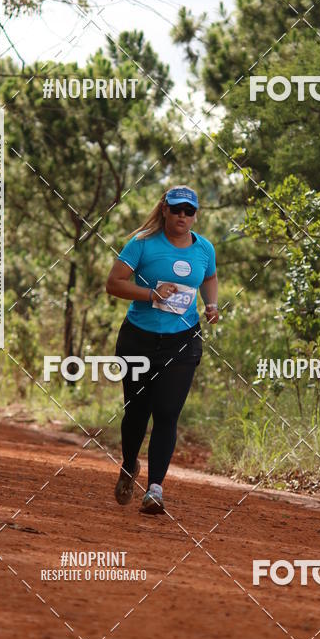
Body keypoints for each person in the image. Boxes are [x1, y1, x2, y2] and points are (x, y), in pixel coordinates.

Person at [105, 185, 219, 515]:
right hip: (139, 340)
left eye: (189, 211)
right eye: (177, 209)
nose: (182, 215)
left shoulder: (204, 248)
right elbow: (114, 283)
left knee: (167, 413)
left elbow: (210, 277)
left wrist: (211, 304)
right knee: (136, 413)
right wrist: (151, 294)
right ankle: (129, 465)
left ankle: (155, 488)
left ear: (195, 215)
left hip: (182, 340)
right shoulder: (142, 243)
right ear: (165, 209)